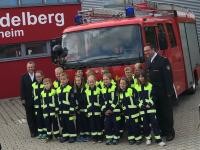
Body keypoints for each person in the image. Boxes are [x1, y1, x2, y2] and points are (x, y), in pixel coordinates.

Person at [144, 44, 175, 141]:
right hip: (153, 93)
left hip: (163, 92)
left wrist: (169, 92)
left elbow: (168, 78)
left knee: (166, 113)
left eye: (148, 50)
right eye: (145, 51)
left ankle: (170, 132)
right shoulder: (148, 61)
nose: (146, 53)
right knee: (158, 113)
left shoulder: (163, 60)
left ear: (153, 49)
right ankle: (163, 131)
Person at [134, 70, 166, 147]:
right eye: (139, 77)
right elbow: (136, 99)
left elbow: (154, 96)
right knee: (145, 125)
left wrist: (149, 104)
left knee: (154, 123)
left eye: (142, 77)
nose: (141, 78)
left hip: (150, 108)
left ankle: (159, 140)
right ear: (137, 78)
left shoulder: (150, 85)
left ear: (145, 77)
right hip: (142, 109)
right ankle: (148, 139)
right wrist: (141, 105)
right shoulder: (136, 87)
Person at [118, 77, 142, 145]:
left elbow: (137, 98)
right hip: (126, 114)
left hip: (134, 112)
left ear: (127, 84)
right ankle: (131, 138)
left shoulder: (131, 90)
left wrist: (138, 106)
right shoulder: (120, 93)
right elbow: (120, 102)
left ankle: (138, 138)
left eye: (123, 84)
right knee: (129, 127)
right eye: (121, 83)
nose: (122, 85)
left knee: (135, 126)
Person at [57, 73, 77, 143]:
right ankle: (65, 136)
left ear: (67, 80)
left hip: (69, 111)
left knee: (70, 124)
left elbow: (72, 100)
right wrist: (57, 109)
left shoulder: (70, 88)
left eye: (64, 79)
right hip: (61, 111)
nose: (62, 80)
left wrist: (71, 110)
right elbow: (57, 101)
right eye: (61, 79)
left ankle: (73, 136)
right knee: (63, 124)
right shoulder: (58, 89)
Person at [101, 73, 120, 145]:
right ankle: (109, 138)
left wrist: (111, 109)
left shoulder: (115, 87)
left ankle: (116, 138)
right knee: (107, 125)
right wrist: (105, 110)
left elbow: (116, 99)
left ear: (110, 80)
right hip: (106, 112)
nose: (105, 81)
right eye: (104, 79)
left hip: (114, 111)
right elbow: (101, 101)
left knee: (115, 125)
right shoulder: (102, 89)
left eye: (106, 79)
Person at [20, 61, 37, 137]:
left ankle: (38, 130)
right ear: (27, 68)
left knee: (38, 116)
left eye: (31, 67)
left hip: (37, 100)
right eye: (29, 67)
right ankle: (32, 132)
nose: (30, 68)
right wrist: (23, 99)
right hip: (28, 101)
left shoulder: (38, 75)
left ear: (34, 67)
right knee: (30, 117)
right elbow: (22, 89)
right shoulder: (23, 77)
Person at [85, 74, 103, 143]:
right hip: (90, 111)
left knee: (99, 125)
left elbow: (101, 101)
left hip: (97, 111)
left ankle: (100, 137)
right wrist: (87, 111)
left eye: (92, 81)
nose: (91, 83)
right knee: (92, 125)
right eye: (90, 82)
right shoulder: (86, 91)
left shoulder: (99, 90)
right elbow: (86, 102)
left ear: (95, 82)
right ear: (87, 82)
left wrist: (101, 110)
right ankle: (94, 138)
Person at [41, 78, 60, 142]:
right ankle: (49, 136)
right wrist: (43, 111)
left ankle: (57, 135)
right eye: (45, 84)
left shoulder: (54, 91)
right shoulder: (42, 93)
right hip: (46, 112)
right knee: (47, 125)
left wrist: (57, 110)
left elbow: (57, 102)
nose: (46, 85)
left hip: (53, 111)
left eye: (47, 83)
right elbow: (42, 102)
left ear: (51, 84)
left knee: (55, 124)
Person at [74, 75, 90, 142]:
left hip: (84, 108)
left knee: (85, 122)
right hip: (78, 110)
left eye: (79, 80)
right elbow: (73, 99)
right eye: (76, 80)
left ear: (82, 81)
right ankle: (81, 135)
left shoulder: (85, 88)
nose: (78, 82)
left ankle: (87, 135)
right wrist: (77, 108)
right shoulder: (74, 89)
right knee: (79, 122)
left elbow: (84, 99)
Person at [32, 70, 46, 139]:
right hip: (37, 106)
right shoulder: (33, 85)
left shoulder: (45, 84)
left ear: (42, 76)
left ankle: (46, 133)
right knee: (39, 119)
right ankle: (41, 133)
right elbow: (33, 95)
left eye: (39, 76)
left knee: (44, 119)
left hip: (44, 105)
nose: (38, 78)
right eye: (36, 77)